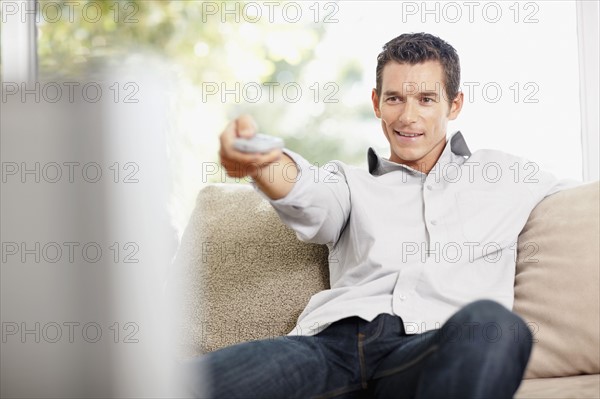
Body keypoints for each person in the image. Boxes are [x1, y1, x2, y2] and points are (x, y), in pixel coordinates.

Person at [184, 32, 576, 398]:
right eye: (394, 99)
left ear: (454, 104)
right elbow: (307, 195)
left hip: (432, 352)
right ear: (376, 103)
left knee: (497, 327)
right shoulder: (350, 184)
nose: (408, 116)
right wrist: (259, 162)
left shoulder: (508, 176)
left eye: (425, 99)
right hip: (330, 349)